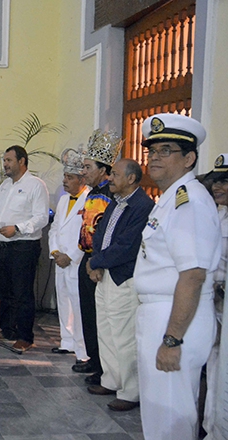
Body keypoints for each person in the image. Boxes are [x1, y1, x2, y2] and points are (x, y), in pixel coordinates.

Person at [134, 113, 219, 440]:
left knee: (170, 416)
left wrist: (172, 340)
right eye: (152, 150)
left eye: (166, 150)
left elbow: (193, 275)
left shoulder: (189, 202)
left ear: (189, 159)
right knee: (159, 411)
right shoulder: (170, 199)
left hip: (174, 318)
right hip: (161, 312)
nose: (154, 157)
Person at [85, 159, 154, 411]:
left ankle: (131, 391)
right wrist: (96, 262)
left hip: (123, 276)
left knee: (124, 337)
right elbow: (100, 233)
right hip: (105, 274)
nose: (110, 178)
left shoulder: (142, 206)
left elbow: (128, 245)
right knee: (105, 331)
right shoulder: (115, 201)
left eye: (114, 174)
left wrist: (96, 261)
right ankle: (111, 380)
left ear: (131, 179)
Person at [0, 145, 49, 352]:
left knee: (22, 293)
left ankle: (25, 336)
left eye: (9, 160)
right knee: (3, 290)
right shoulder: (5, 185)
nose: (4, 164)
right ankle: (7, 330)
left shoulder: (35, 185)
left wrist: (18, 228)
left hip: (24, 246)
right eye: (4, 160)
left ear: (22, 161)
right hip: (3, 245)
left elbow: (41, 217)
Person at [73, 130, 122, 384]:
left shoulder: (110, 196)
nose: (83, 172)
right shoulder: (92, 193)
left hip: (98, 261)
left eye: (88, 167)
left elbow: (104, 233)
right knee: (87, 312)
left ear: (104, 170)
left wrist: (97, 262)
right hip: (87, 257)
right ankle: (93, 358)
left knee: (98, 315)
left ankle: (104, 366)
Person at [48, 147, 90, 362]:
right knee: (63, 301)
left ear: (82, 180)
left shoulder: (90, 199)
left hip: (76, 260)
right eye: (64, 176)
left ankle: (82, 350)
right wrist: (55, 251)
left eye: (70, 177)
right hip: (60, 259)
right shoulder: (64, 200)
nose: (65, 181)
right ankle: (67, 341)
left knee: (78, 304)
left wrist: (71, 255)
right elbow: (55, 228)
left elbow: (88, 232)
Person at [199, 154, 228, 438]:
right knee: (214, 365)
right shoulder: (216, 214)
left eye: (225, 181)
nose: (218, 187)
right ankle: (211, 428)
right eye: (216, 181)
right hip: (212, 303)